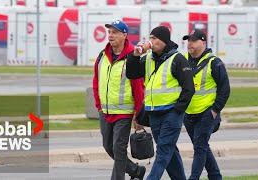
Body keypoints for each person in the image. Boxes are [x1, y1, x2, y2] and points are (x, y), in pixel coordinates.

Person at [126, 26, 195, 180]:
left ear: (164, 41)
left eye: (155, 38)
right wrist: (135, 56)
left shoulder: (177, 59)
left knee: (163, 151)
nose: (151, 41)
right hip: (154, 113)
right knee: (169, 151)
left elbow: (189, 88)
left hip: (171, 113)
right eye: (150, 38)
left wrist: (178, 110)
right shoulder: (149, 58)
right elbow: (131, 73)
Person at [92, 20, 146, 180]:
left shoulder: (132, 57)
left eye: (115, 32)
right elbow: (96, 80)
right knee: (108, 147)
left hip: (124, 112)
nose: (110, 35)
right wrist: (98, 105)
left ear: (124, 35)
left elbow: (138, 88)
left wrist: (138, 113)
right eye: (109, 32)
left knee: (119, 148)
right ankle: (136, 171)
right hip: (105, 110)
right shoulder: (102, 55)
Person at [182, 29, 230, 180]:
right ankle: (216, 176)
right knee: (201, 147)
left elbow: (225, 88)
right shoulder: (183, 60)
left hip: (207, 113)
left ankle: (193, 178)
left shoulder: (214, 62)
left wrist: (215, 110)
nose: (189, 43)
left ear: (203, 42)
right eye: (188, 40)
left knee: (200, 147)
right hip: (188, 114)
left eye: (193, 40)